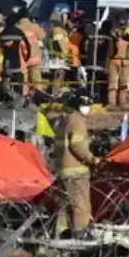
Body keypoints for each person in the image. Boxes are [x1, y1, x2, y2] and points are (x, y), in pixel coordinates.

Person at [52, 89, 98, 236]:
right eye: (86, 105)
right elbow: (77, 145)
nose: (88, 108)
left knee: (66, 206)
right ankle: (80, 236)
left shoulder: (63, 119)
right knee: (81, 206)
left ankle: (62, 234)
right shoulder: (77, 120)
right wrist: (92, 159)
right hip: (76, 170)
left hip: (63, 169)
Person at [104, 15, 129, 109]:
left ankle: (119, 103)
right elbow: (111, 51)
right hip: (119, 61)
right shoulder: (115, 35)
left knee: (122, 84)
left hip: (122, 62)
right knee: (115, 84)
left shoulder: (120, 35)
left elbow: (110, 51)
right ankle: (115, 103)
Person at [17, 12, 46, 98]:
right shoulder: (34, 26)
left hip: (22, 59)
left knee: (24, 81)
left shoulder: (17, 27)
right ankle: (39, 98)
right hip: (35, 58)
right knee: (36, 81)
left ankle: (24, 98)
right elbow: (42, 36)